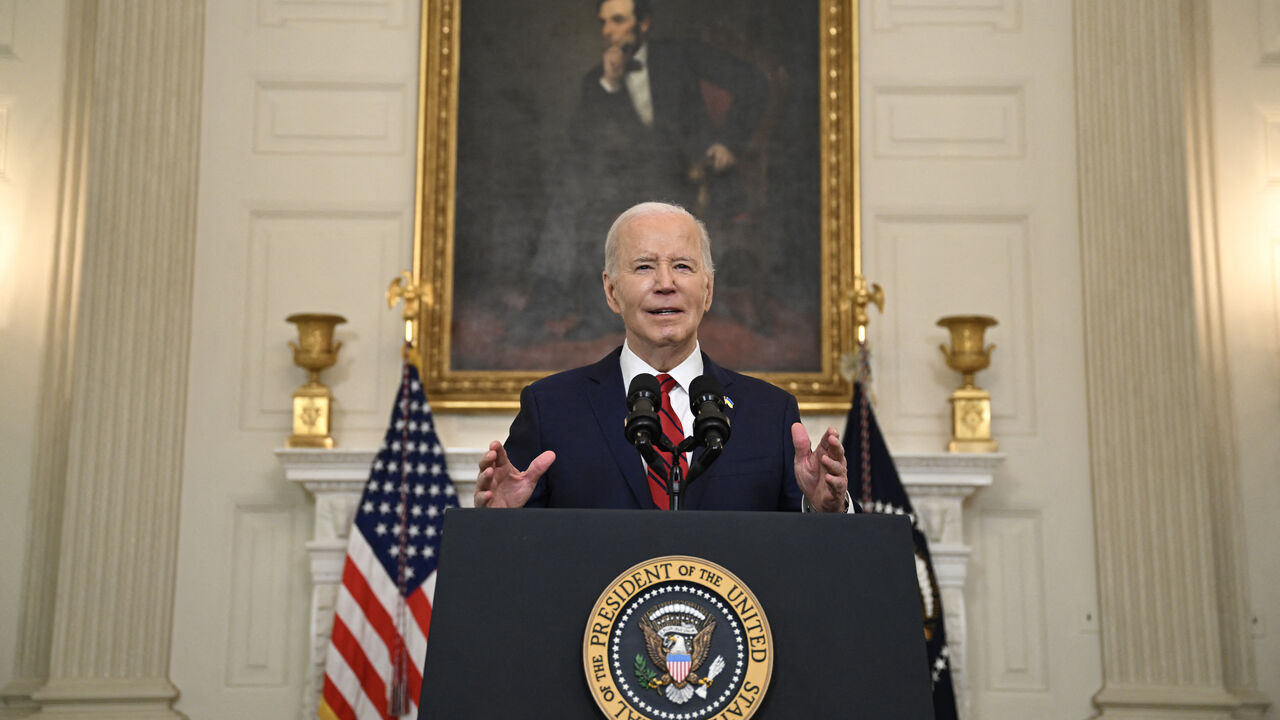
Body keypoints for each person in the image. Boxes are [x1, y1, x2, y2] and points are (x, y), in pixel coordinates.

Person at [476, 202, 850, 513]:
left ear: (708, 291)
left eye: (683, 266)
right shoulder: (551, 408)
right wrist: (499, 523)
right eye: (644, 266)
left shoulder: (771, 413)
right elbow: (515, 563)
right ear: (611, 291)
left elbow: (810, 563)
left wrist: (824, 511)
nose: (665, 283)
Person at [526, 0, 769, 341]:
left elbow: (754, 82)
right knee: (574, 184)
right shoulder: (598, 79)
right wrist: (609, 84)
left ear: (643, 24)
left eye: (618, 21)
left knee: (579, 187)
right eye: (604, 23)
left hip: (691, 177)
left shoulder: (681, 55)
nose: (608, 31)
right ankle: (551, 294)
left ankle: (565, 302)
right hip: (627, 181)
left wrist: (728, 142)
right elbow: (581, 141)